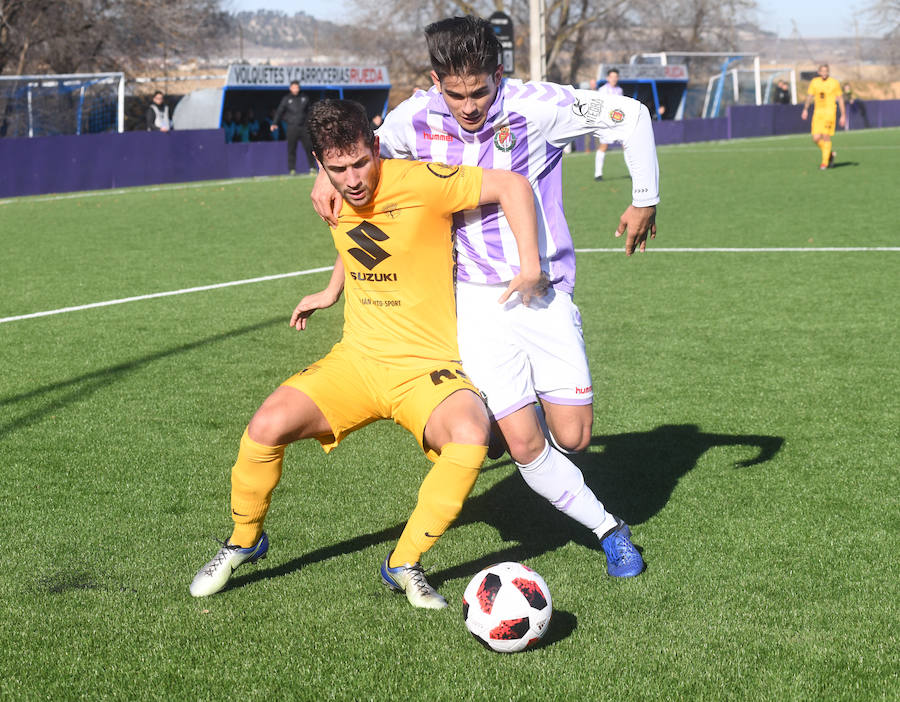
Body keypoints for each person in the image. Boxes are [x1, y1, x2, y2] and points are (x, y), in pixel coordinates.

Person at [312, 15, 658, 578]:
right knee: (526, 445)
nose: (469, 106)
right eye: (455, 93)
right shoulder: (411, 119)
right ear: (434, 80)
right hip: (469, 299)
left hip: (543, 291)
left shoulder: (539, 106)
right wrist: (322, 176)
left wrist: (645, 198)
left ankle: (507, 418)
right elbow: (360, 150)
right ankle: (608, 529)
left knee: (573, 435)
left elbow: (633, 116)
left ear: (499, 74)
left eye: (480, 91)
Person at [189, 98, 545, 608]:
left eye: (360, 162)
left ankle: (403, 563)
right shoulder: (330, 195)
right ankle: (244, 541)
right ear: (320, 165)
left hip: (426, 368)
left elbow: (512, 185)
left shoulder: (423, 181)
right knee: (265, 426)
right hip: (356, 361)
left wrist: (529, 265)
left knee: (469, 436)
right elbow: (361, 242)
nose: (353, 178)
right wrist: (331, 290)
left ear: (375, 147)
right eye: (337, 169)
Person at [801, 64, 846, 170]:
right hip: (818, 113)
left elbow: (840, 99)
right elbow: (810, 96)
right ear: (819, 72)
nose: (825, 73)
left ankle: (824, 163)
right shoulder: (814, 82)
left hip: (830, 112)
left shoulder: (834, 82)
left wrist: (843, 115)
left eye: (827, 71)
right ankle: (829, 154)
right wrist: (805, 109)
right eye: (823, 71)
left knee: (826, 135)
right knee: (816, 138)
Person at [272, 80, 315, 175]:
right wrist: (275, 123)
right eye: (294, 87)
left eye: (297, 87)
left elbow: (310, 111)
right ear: (290, 88)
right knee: (291, 149)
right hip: (292, 127)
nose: (296, 89)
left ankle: (312, 167)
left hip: (303, 127)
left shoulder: (304, 97)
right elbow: (280, 111)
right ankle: (292, 169)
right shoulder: (286, 99)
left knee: (309, 147)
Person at [593, 68, 623, 181]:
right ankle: (598, 174)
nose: (614, 79)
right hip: (605, 123)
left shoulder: (619, 90)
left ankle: (632, 172)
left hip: (617, 123)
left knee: (625, 145)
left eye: (616, 77)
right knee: (603, 146)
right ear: (607, 78)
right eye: (612, 77)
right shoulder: (602, 90)